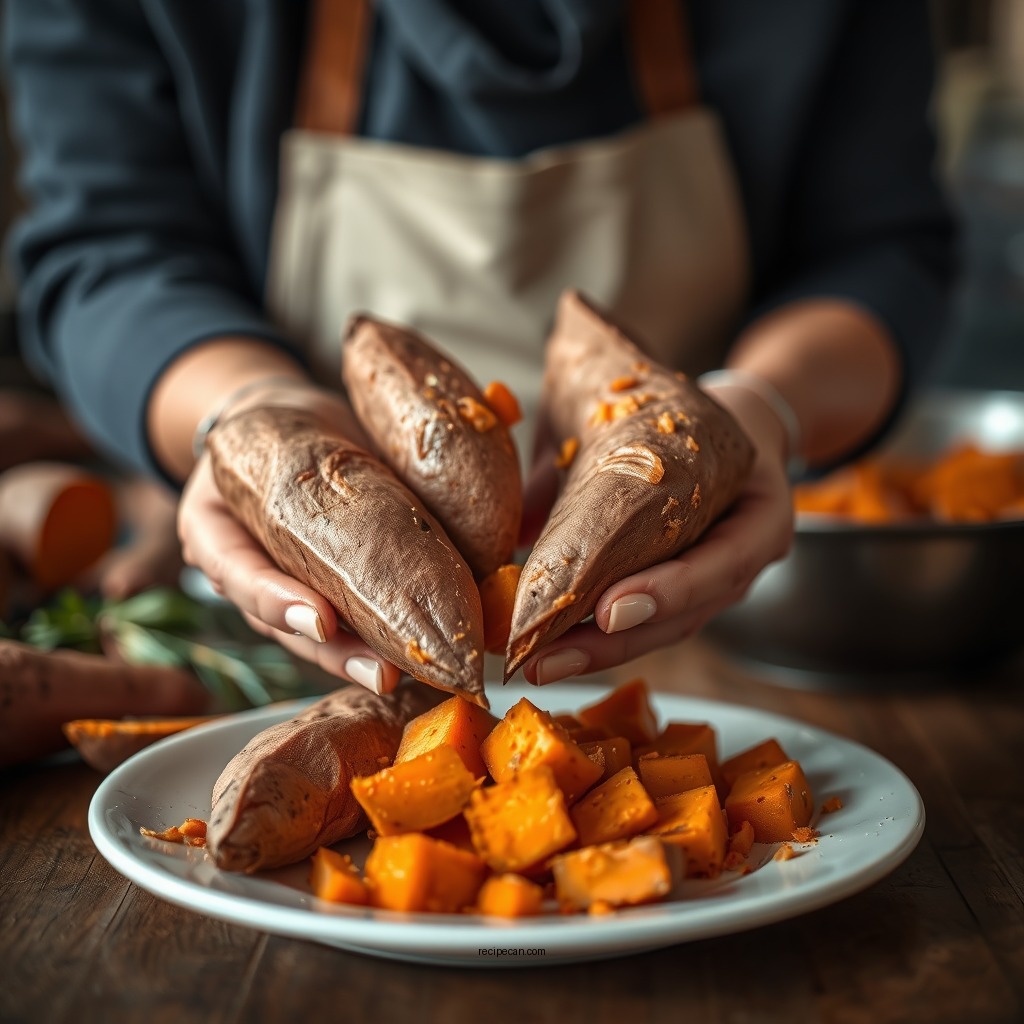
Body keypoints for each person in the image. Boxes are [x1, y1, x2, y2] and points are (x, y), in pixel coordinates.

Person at [3, 0, 955, 695]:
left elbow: (881, 247)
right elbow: (108, 248)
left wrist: (759, 411)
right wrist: (247, 416)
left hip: (744, 634)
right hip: (310, 654)